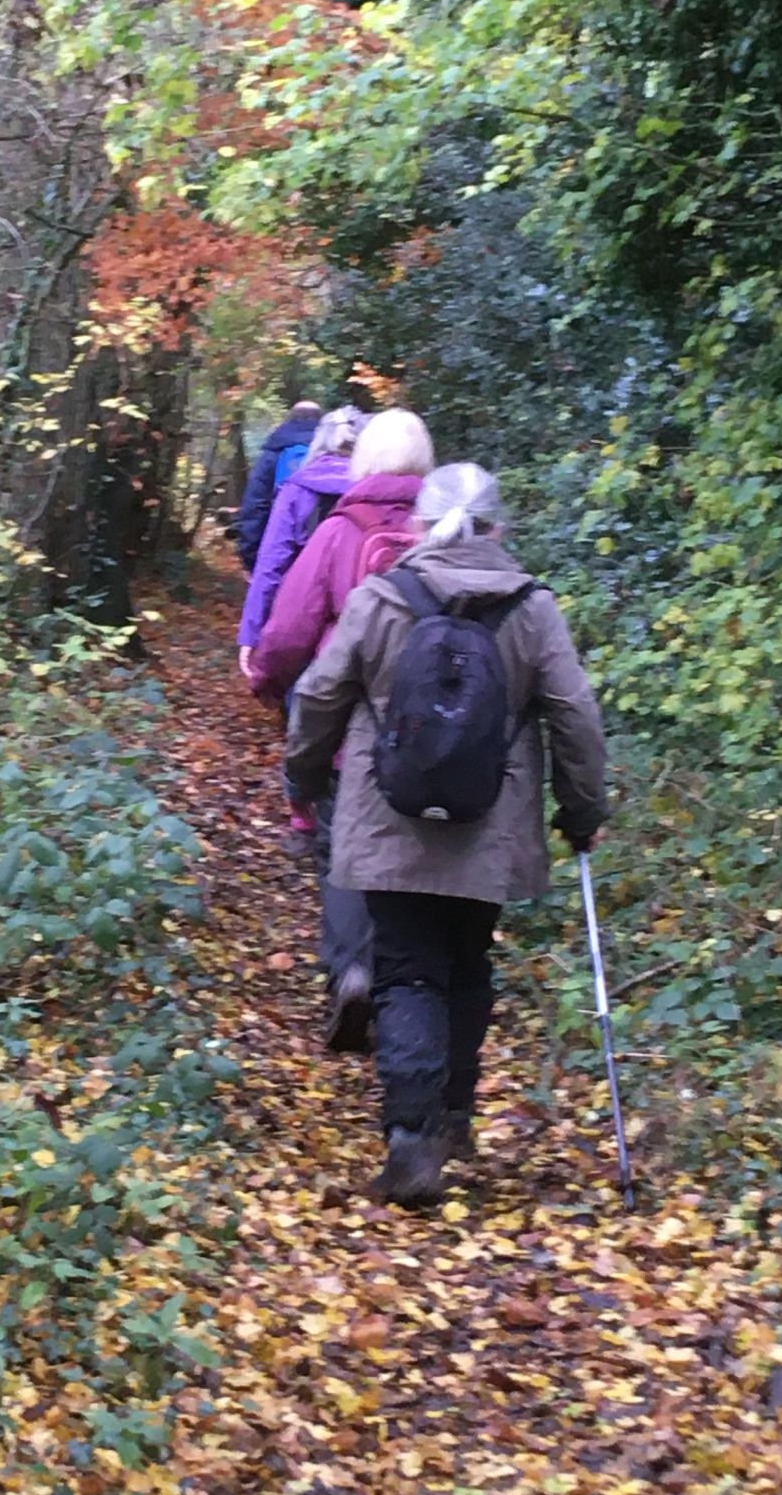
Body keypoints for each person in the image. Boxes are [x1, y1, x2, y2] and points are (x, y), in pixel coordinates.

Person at [285, 463, 608, 1209]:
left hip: (389, 820)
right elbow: (576, 716)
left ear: (419, 528)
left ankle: (410, 1139)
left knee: (405, 971)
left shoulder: (382, 598)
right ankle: (454, 1115)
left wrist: (304, 774)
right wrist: (581, 809)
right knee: (466, 964)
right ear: (499, 528)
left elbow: (322, 690)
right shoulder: (532, 609)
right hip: (487, 827)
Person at [248, 409, 436, 1049]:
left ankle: (351, 969)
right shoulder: (445, 532)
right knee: (413, 854)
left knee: (343, 850)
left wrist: (269, 681)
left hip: (352, 731)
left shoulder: (340, 530)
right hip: (432, 734)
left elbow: (291, 625)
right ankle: (403, 987)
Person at [237, 405, 365, 665]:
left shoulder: (295, 484)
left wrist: (251, 634)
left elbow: (270, 561)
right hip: (361, 615)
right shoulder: (376, 488)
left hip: (300, 606)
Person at [235, 400, 323, 571]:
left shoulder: (273, 453)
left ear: (290, 418)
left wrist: (251, 556)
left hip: (279, 546)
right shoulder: (331, 454)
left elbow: (255, 505)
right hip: (319, 548)